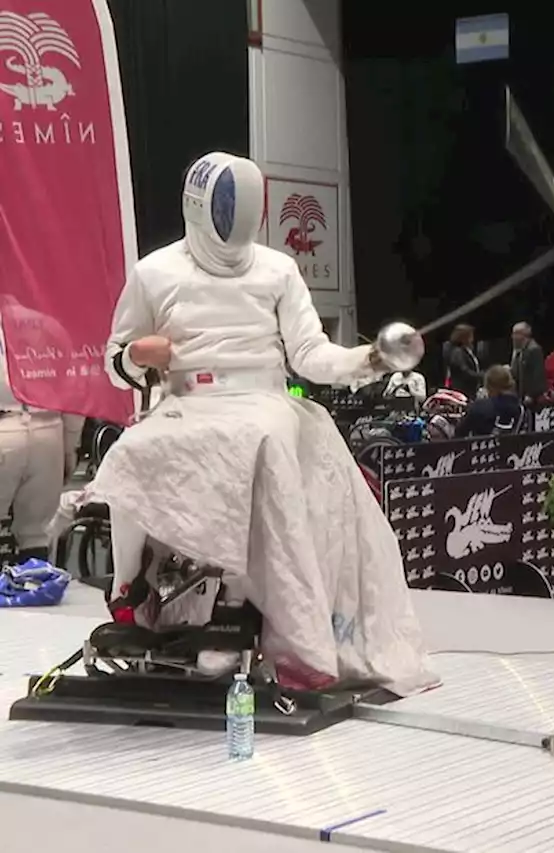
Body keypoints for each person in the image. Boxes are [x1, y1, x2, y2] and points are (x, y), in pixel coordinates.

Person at [62, 151, 438, 695]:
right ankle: (127, 583)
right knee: (132, 451)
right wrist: (137, 355)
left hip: (263, 401)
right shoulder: (154, 272)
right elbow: (116, 362)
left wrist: (369, 360)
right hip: (185, 401)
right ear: (197, 208)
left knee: (255, 444)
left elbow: (309, 356)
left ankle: (236, 604)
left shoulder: (277, 269)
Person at [0, 325, 84, 562]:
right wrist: (69, 449)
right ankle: (34, 590)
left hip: (4, 424)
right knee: (37, 534)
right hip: (49, 428)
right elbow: (74, 393)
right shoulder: (51, 325)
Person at [456, 365, 524, 438]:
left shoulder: (479, 407)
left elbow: (460, 432)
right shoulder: (521, 409)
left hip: (483, 448)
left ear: (489, 386)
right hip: (512, 448)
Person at [510, 321, 546, 404]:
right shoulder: (520, 350)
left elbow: (538, 374)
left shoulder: (534, 349)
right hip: (520, 395)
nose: (512, 337)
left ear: (523, 335)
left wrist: (531, 395)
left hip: (531, 397)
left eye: (515, 334)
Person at [444, 324, 481, 399]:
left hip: (469, 389)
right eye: (471, 336)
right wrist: (483, 375)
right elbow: (464, 372)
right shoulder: (457, 352)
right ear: (464, 337)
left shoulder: (466, 350)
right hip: (462, 390)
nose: (472, 339)